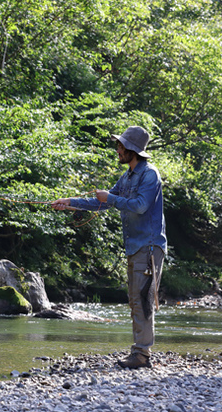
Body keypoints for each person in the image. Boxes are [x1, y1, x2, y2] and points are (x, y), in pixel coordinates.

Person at [51, 125, 166, 369]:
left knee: (142, 299)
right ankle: (140, 352)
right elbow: (100, 203)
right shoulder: (127, 177)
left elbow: (140, 206)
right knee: (135, 299)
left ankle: (141, 355)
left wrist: (110, 199)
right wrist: (69, 203)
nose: (117, 149)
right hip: (135, 246)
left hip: (149, 245)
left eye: (121, 146)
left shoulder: (150, 174)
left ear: (132, 150)